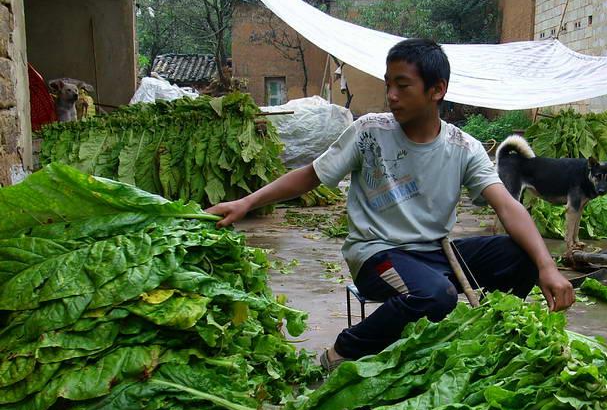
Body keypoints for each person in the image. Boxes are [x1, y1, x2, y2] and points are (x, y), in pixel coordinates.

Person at [207, 39, 575, 371]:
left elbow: (508, 207)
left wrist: (547, 266)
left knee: (522, 256)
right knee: (435, 295)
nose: (392, 95)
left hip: (436, 254)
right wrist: (247, 202)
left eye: (403, 85)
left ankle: (489, 333)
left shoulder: (464, 147)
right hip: (376, 254)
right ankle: (341, 352)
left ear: (437, 90)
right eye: (388, 85)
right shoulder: (370, 132)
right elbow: (311, 175)